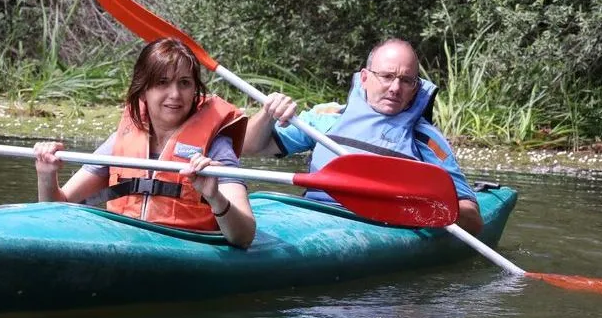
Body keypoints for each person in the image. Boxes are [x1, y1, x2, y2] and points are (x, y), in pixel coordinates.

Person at [243, 38, 483, 234]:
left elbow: (471, 217)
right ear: (365, 77)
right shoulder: (327, 117)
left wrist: (423, 201)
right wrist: (267, 114)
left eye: (406, 80)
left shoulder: (425, 139)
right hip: (310, 216)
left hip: (378, 228)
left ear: (415, 89)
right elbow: (250, 147)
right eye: (387, 76)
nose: (395, 88)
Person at [33, 38, 256, 248]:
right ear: (143, 91)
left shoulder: (216, 148)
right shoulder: (119, 143)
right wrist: (46, 174)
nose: (175, 94)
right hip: (125, 245)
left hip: (188, 248)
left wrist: (214, 196)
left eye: (185, 83)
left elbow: (244, 236)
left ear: (195, 92)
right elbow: (56, 208)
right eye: (162, 82)